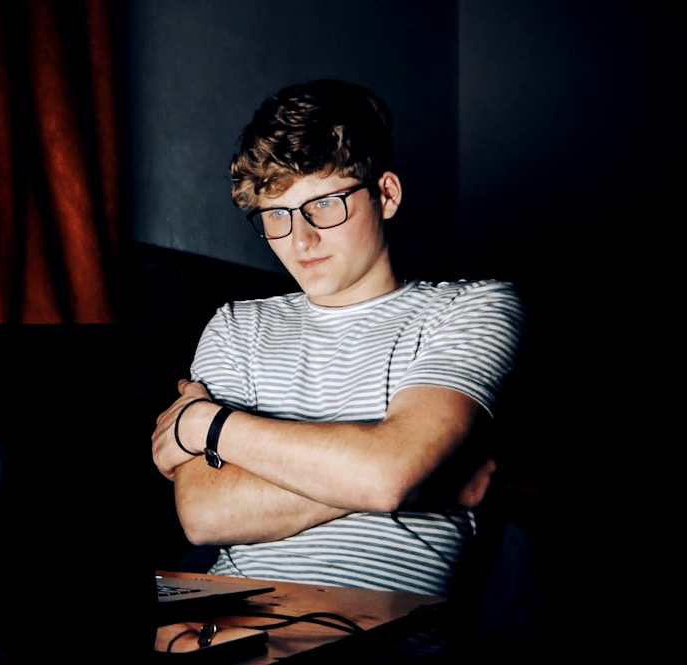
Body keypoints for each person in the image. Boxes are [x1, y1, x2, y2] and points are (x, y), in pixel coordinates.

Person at [151, 78, 524, 598]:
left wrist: (204, 424)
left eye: (325, 204)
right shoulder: (236, 325)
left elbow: (388, 475)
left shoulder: (469, 308)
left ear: (386, 195)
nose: (300, 238)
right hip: (226, 629)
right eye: (276, 215)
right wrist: (431, 477)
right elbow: (204, 514)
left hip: (382, 643)